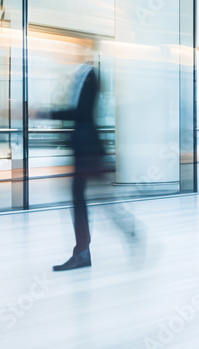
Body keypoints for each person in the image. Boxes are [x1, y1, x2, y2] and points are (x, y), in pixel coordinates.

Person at [45, 61, 137, 271]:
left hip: (89, 152)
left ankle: (90, 250)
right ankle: (84, 252)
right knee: (86, 202)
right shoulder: (76, 77)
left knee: (92, 203)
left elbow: (81, 113)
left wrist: (43, 113)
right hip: (83, 151)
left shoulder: (90, 75)